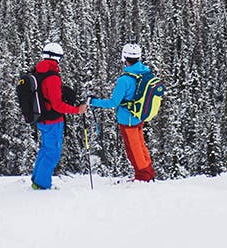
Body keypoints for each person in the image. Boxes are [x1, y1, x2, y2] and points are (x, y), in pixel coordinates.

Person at [89, 43, 155, 181]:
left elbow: (113, 103)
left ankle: (143, 177)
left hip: (127, 119)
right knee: (141, 146)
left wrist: (93, 102)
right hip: (139, 116)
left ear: (124, 58)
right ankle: (148, 173)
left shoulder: (124, 80)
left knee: (134, 150)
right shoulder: (145, 73)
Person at [31, 41, 88, 190]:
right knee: (52, 153)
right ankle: (42, 185)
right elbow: (57, 105)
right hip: (52, 120)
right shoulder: (52, 77)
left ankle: (37, 180)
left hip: (41, 118)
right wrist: (77, 110)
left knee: (45, 149)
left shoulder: (37, 72)